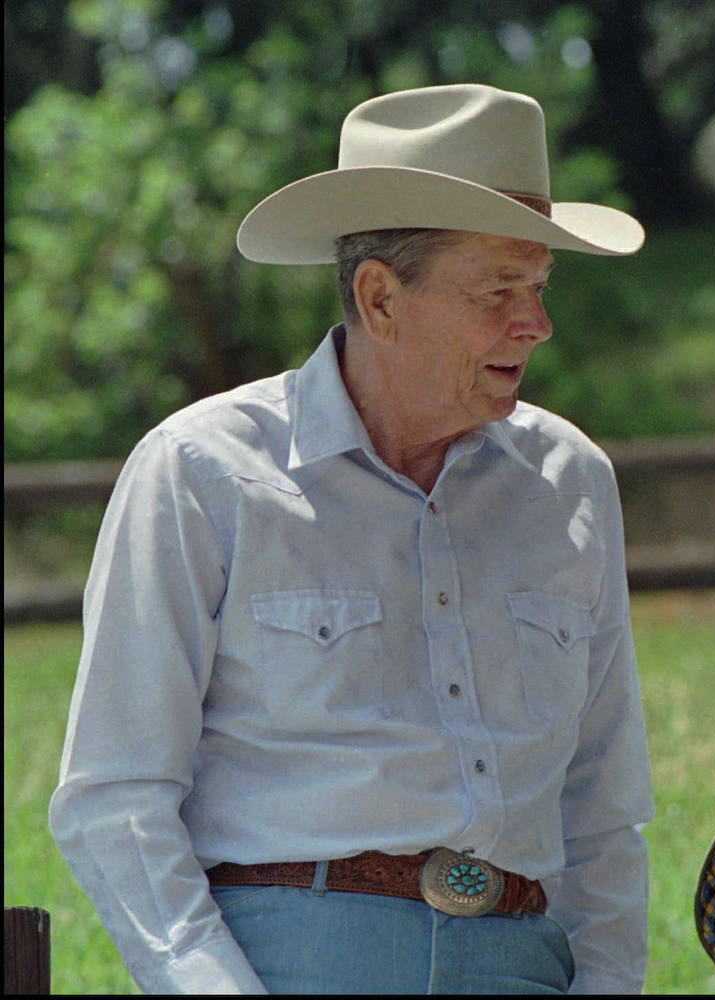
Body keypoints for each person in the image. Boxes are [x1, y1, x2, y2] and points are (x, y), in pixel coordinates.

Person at [49, 84, 653, 995]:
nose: (536, 323)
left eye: (539, 286)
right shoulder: (202, 470)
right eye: (499, 289)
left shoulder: (570, 479)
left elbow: (604, 809)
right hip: (285, 969)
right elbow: (114, 794)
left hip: (525, 965)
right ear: (380, 298)